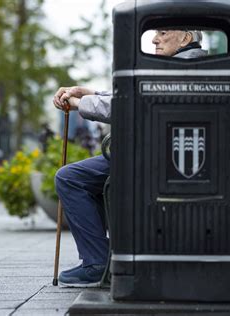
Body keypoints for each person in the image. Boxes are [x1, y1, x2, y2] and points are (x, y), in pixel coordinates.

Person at [52, 30, 207, 287]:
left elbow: (129, 106)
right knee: (77, 177)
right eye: (155, 32)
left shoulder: (181, 69)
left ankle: (97, 263)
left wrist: (81, 103)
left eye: (163, 32)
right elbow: (132, 96)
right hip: (151, 153)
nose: (155, 39)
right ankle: (100, 260)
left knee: (70, 178)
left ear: (185, 37)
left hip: (151, 157)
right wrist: (89, 93)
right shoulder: (185, 65)